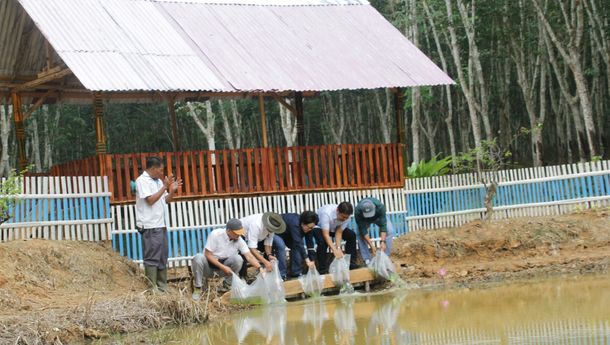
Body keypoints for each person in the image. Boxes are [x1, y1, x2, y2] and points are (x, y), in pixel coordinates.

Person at [135, 156, 182, 292]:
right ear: (153, 168)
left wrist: (171, 191)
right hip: (150, 225)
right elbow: (150, 200)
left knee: (162, 255)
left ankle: (162, 286)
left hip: (161, 224)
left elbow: (164, 200)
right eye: (160, 170)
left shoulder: (158, 182)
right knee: (152, 255)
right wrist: (165, 187)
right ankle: (152, 287)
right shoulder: (142, 181)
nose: (162, 173)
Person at [191, 218, 262, 301]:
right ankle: (198, 288)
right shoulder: (216, 234)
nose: (238, 235)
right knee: (198, 258)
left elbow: (249, 256)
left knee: (238, 259)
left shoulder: (239, 240)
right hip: (209, 267)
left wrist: (260, 268)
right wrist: (223, 267)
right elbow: (208, 254)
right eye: (236, 233)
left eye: (239, 233)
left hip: (225, 269)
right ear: (228, 230)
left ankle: (227, 284)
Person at [313, 202, 358, 273]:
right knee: (323, 242)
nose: (344, 219)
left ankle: (351, 263)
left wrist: (338, 248)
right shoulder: (326, 213)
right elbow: (326, 234)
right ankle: (322, 269)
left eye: (346, 217)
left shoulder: (347, 217)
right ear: (337, 211)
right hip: (319, 227)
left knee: (351, 235)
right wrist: (334, 250)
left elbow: (339, 232)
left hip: (334, 227)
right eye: (343, 217)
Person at [240, 212, 287, 278]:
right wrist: (265, 262)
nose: (272, 231)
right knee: (244, 253)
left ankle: (265, 272)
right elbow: (252, 248)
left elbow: (268, 242)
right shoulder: (256, 225)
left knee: (277, 244)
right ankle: (243, 276)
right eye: (271, 229)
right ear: (267, 225)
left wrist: (269, 255)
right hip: (242, 235)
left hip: (259, 237)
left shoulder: (272, 227)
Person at [274, 211, 318, 278]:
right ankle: (282, 275)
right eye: (309, 227)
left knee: (296, 247)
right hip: (277, 233)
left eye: (312, 228)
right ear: (303, 223)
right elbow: (298, 242)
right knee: (281, 246)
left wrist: (312, 259)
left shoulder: (308, 227)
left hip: (289, 235)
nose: (310, 229)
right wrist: (307, 259)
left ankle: (296, 273)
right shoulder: (295, 223)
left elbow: (310, 244)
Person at [354, 198, 394, 264]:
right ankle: (367, 259)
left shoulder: (380, 207)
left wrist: (383, 242)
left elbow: (383, 225)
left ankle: (386, 256)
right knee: (359, 233)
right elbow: (363, 230)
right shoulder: (358, 211)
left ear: (374, 208)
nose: (370, 217)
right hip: (364, 220)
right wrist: (372, 246)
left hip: (377, 217)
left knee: (390, 230)